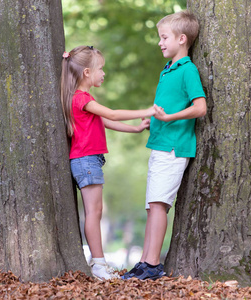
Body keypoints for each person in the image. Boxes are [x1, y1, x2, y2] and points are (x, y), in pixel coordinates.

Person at [123, 11, 207, 280]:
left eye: (164, 37)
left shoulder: (188, 69)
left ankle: (152, 264)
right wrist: (154, 120)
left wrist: (169, 118)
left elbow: (200, 107)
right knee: (152, 206)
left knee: (159, 205)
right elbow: (168, 105)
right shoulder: (168, 70)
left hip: (174, 147)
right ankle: (144, 262)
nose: (160, 42)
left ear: (182, 39)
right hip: (159, 144)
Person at [60, 45, 156, 280]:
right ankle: (98, 264)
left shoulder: (84, 99)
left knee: (96, 211)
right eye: (100, 69)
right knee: (94, 212)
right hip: (86, 161)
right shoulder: (81, 98)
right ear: (86, 73)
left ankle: (98, 262)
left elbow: (105, 122)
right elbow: (111, 114)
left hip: (88, 160)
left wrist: (135, 129)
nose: (103, 73)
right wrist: (148, 110)